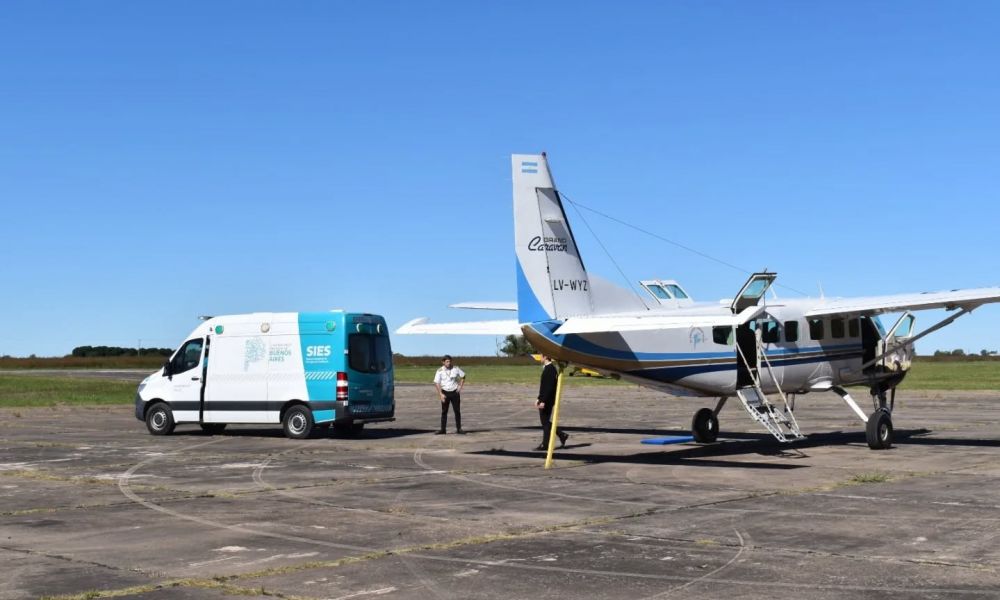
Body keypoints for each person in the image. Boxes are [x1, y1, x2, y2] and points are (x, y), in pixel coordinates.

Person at [535, 355, 568, 451]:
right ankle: (562, 435)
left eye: (540, 356)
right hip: (545, 399)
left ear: (545, 357)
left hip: (547, 400)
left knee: (545, 422)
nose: (539, 358)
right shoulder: (549, 369)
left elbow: (549, 388)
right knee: (545, 422)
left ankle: (546, 444)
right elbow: (544, 387)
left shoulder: (550, 370)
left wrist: (543, 401)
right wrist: (538, 398)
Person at [433, 355, 465, 434]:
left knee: (457, 411)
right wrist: (440, 394)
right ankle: (443, 429)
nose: (449, 363)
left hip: (455, 392)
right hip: (445, 393)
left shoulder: (455, 369)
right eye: (447, 361)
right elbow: (436, 382)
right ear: (443, 362)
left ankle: (459, 429)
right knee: (444, 411)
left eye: (450, 361)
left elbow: (463, 376)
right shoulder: (439, 371)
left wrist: (460, 386)